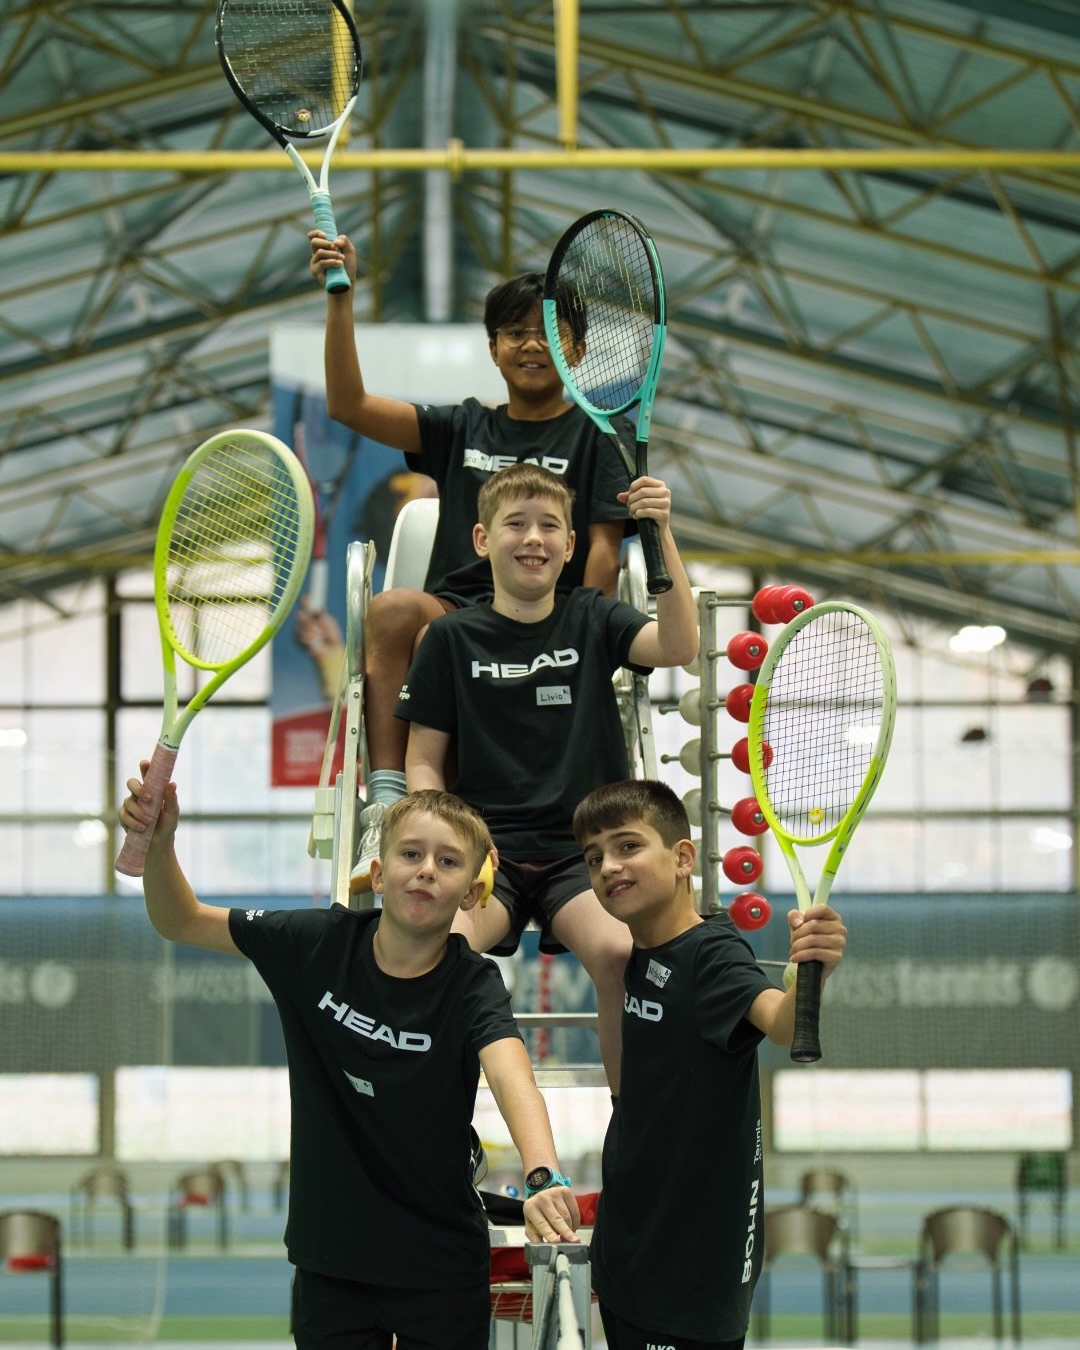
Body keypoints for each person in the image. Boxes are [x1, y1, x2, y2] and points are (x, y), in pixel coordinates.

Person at [117, 772, 581, 1350]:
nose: (427, 870)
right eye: (411, 854)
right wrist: (160, 842)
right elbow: (179, 919)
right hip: (331, 1262)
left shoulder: (473, 983)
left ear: (471, 891)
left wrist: (543, 1173)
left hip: (440, 1266)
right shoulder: (312, 944)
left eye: (449, 861)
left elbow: (513, 1076)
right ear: (379, 874)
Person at [309, 230, 631, 885]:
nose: (532, 344)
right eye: (514, 333)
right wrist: (339, 299)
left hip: (553, 614)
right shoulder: (461, 427)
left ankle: (468, 822)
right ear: (493, 349)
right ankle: (394, 803)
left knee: (442, 638)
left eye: (549, 331)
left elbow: (603, 548)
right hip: (462, 605)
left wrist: (582, 626)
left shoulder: (600, 435)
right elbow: (347, 405)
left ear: (579, 347)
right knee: (401, 612)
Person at [396, 462, 698, 1092]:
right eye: (516, 524)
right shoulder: (449, 639)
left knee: (619, 953)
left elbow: (677, 647)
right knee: (440, 952)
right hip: (488, 855)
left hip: (580, 856)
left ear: (569, 547)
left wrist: (660, 530)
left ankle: (631, 1123)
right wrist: (450, 841)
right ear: (483, 541)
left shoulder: (594, 616)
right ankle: (439, 1131)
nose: (533, 538)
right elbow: (424, 757)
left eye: (550, 527)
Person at [572, 778, 849, 1350]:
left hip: (690, 1281)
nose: (607, 867)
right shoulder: (640, 952)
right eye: (594, 857)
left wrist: (816, 966)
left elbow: (781, 1022)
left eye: (628, 846)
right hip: (630, 1258)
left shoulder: (712, 955)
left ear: (683, 858)